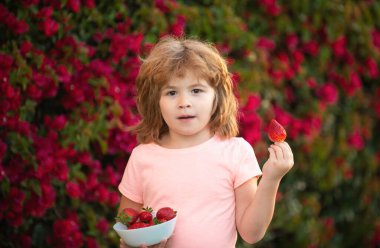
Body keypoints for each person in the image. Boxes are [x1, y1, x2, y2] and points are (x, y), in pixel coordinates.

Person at [117, 36, 294, 248]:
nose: (184, 103)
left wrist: (271, 179)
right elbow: (126, 229)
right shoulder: (143, 156)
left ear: (216, 97)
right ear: (157, 101)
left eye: (196, 90)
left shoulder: (235, 152)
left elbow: (252, 233)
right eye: (172, 92)